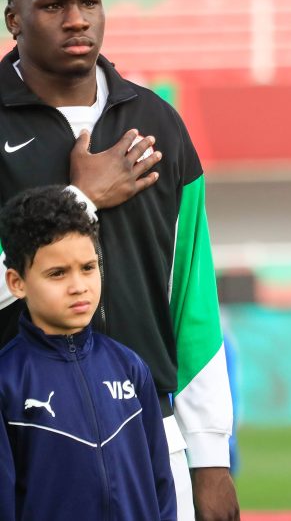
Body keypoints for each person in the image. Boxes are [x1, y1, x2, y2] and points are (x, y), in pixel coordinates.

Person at [0, 0, 238, 521]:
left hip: (151, 428)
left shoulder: (159, 122)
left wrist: (210, 456)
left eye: (89, 1)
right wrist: (82, 199)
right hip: (21, 435)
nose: (76, 19)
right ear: (14, 20)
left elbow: (192, 295)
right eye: (53, 5)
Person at [0, 185, 175, 520]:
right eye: (57, 273)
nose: (78, 286)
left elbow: (161, 486)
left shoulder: (130, 368)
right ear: (17, 282)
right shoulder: (8, 380)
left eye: (88, 267)